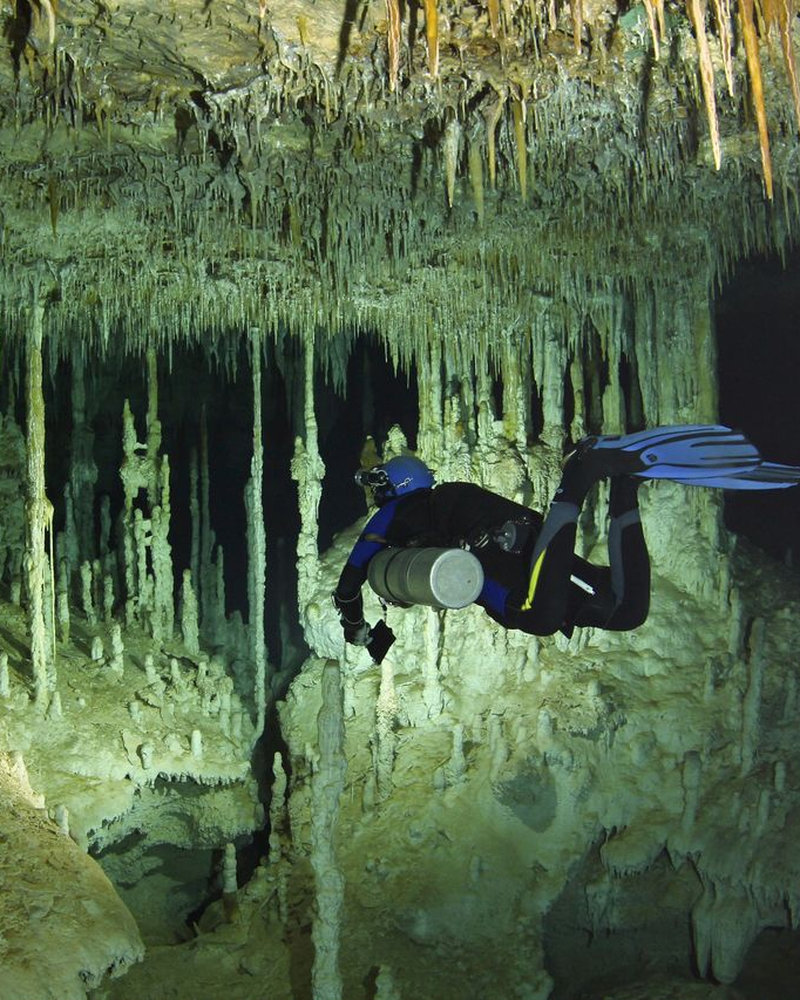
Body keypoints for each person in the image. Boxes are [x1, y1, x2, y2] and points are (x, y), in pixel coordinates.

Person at [332, 425, 800, 655]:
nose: (377, 496)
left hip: (504, 554)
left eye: (379, 486)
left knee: (536, 617)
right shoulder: (446, 498)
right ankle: (626, 484)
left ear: (396, 487)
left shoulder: (397, 512)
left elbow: (349, 582)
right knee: (625, 610)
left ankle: (582, 470)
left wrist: (356, 628)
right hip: (535, 536)